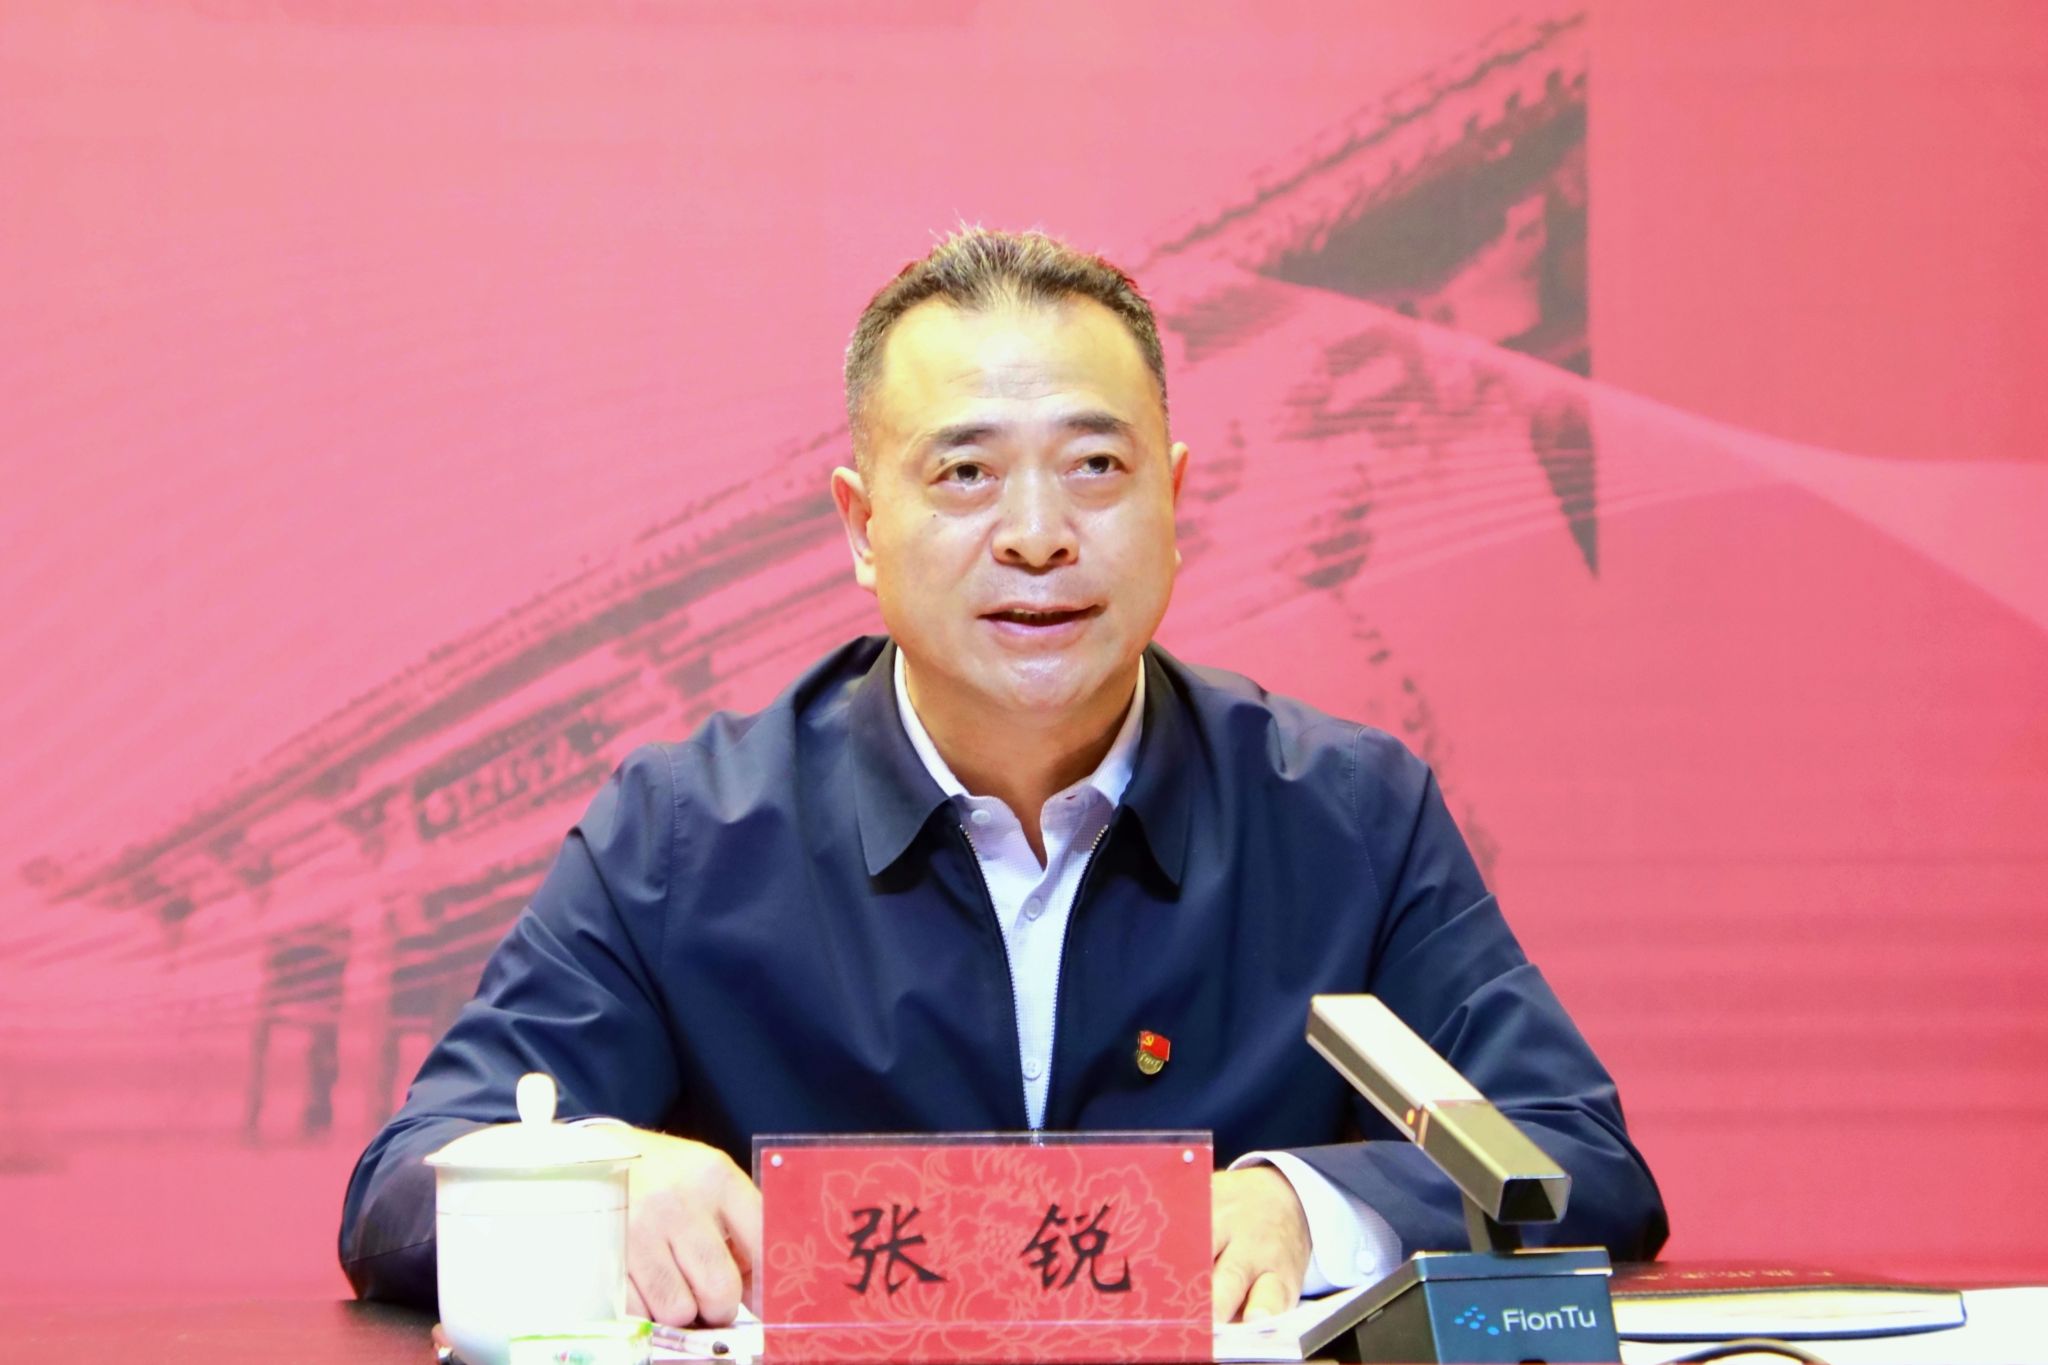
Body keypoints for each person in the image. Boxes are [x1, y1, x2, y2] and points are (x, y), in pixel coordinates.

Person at [339, 228, 1667, 1328]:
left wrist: (1310, 1208)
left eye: (1096, 468)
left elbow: (1576, 1157)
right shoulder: (684, 834)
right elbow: (401, 1183)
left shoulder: (1347, 817)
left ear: (1174, 501)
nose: (1037, 536)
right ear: (863, 526)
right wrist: (603, 1173)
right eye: (966, 474)